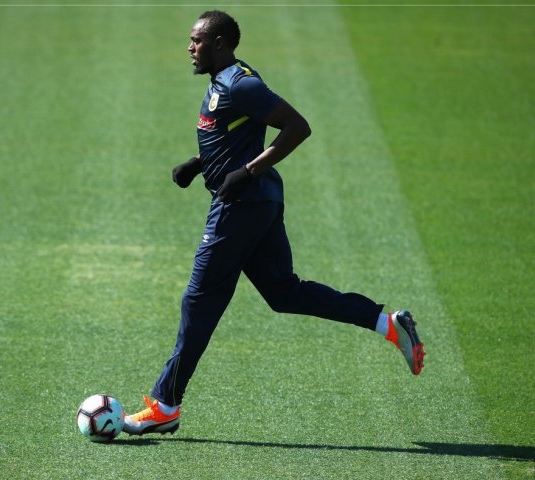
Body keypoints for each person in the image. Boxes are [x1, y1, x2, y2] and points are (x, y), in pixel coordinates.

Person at [122, 10, 425, 436]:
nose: (190, 48)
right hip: (257, 203)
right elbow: (235, 135)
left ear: (221, 43)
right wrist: (198, 164)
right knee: (284, 292)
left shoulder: (241, 83)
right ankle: (387, 323)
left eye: (197, 41)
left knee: (199, 299)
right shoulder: (225, 81)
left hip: (241, 206)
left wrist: (245, 172)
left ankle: (165, 404)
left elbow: (297, 127)